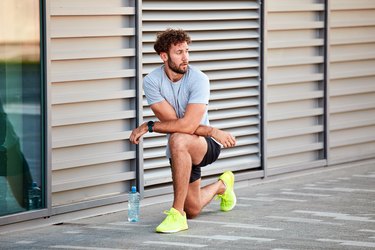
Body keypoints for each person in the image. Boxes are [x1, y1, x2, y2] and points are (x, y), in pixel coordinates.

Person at [129, 28, 237, 233]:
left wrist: (149, 126)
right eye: (179, 52)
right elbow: (175, 122)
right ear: (164, 56)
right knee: (194, 208)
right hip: (185, 146)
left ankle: (177, 214)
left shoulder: (199, 79)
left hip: (205, 145)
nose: (185, 57)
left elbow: (185, 127)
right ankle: (223, 185)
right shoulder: (152, 81)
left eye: (187, 51)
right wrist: (212, 129)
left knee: (178, 138)